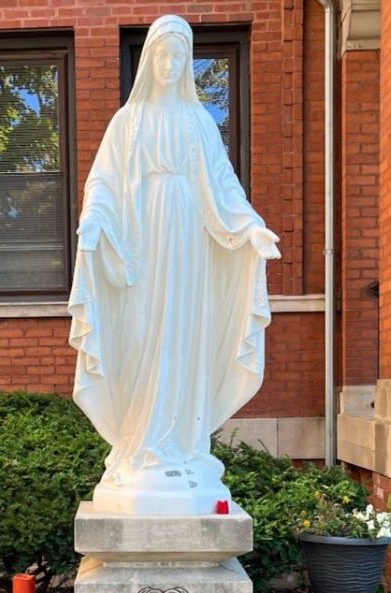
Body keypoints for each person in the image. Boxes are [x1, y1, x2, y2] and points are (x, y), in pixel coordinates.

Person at [68, 14, 281, 516]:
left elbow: (224, 184)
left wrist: (251, 227)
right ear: (149, 60)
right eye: (162, 55)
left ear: (187, 64)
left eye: (179, 57)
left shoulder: (198, 122)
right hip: (140, 244)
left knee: (182, 336)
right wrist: (94, 222)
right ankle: (141, 443)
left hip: (188, 243)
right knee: (143, 332)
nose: (170, 65)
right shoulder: (127, 122)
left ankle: (182, 444)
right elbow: (103, 182)